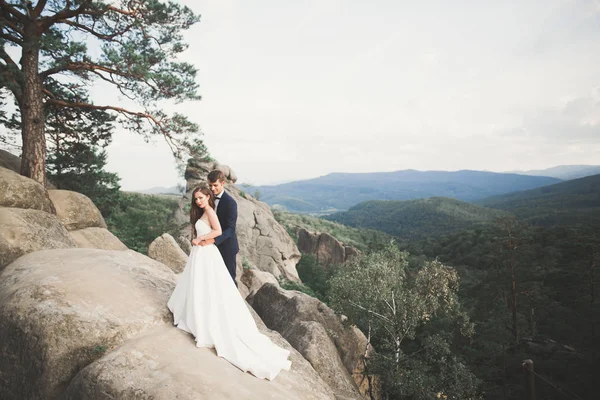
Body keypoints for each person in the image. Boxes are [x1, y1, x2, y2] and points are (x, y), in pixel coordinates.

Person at [167, 186, 291, 380]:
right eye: (196, 199)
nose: (198, 201)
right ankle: (193, 311)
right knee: (198, 285)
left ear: (209, 197)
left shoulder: (209, 211)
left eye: (201, 197)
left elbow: (218, 231)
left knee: (207, 287)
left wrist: (201, 238)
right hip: (201, 253)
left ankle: (202, 317)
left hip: (207, 253)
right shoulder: (204, 211)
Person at [199, 170, 239, 286]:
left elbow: (230, 229)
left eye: (215, 185)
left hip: (226, 247)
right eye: (210, 185)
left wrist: (213, 240)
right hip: (209, 246)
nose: (212, 189)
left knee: (229, 279)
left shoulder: (230, 203)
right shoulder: (208, 199)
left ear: (223, 183)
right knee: (212, 277)